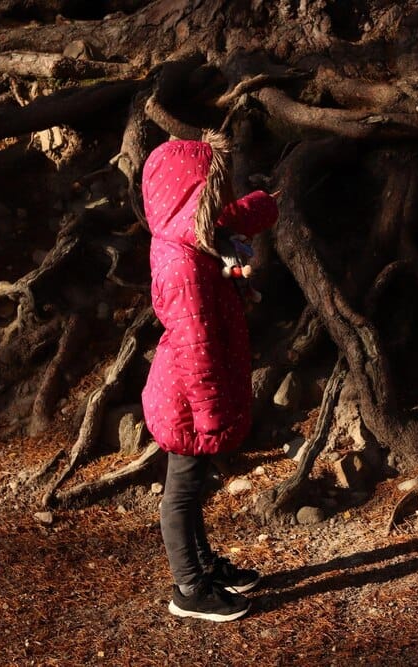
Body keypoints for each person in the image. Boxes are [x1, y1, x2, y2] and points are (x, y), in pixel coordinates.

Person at [141, 132, 278, 622]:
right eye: (214, 189)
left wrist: (264, 204)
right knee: (180, 493)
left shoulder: (186, 230)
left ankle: (203, 566)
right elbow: (194, 349)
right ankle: (189, 589)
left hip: (185, 394)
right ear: (191, 194)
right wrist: (212, 415)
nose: (220, 199)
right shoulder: (182, 268)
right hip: (185, 399)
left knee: (193, 486)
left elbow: (227, 219)